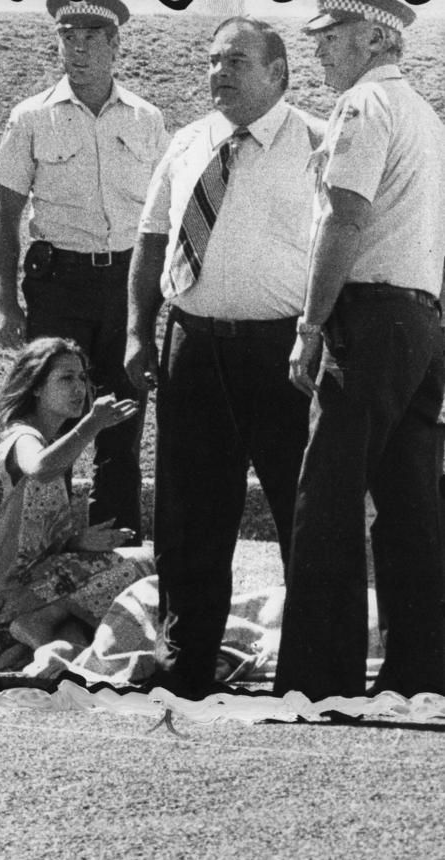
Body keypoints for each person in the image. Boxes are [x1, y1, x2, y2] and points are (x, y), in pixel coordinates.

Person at [124, 17, 325, 699]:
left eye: (237, 60)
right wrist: (136, 331)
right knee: (189, 514)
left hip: (283, 354)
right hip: (194, 345)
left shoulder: (317, 144)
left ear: (279, 73)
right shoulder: (188, 143)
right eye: (213, 60)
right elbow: (153, 241)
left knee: (302, 511)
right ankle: (186, 659)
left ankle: (312, 667)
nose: (220, 73)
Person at [274, 0, 445, 701]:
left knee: (329, 496)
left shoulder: (363, 108)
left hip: (367, 317)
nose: (320, 50)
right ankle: (420, 667)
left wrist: (310, 326)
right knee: (411, 503)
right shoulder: (426, 117)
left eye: (333, 36)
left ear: (376, 36)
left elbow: (345, 215)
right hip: (419, 317)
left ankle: (319, 677)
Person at [0, 0, 170, 543]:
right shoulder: (32, 117)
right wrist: (4, 301)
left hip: (126, 284)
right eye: (69, 35)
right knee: (52, 420)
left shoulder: (147, 118)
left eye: (93, 35)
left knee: (124, 420)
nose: (79, 47)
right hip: (59, 285)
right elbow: (6, 213)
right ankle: (41, 552)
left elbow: (164, 212)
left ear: (116, 45)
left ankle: (121, 558)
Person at [0, 337, 154, 667]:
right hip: (7, 595)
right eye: (65, 378)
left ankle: (40, 644)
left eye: (82, 378)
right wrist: (91, 424)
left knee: (74, 645)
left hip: (20, 592)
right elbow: (40, 469)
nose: (79, 387)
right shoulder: (22, 437)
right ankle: (41, 621)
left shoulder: (41, 439)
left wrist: (77, 541)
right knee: (151, 564)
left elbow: (25, 536)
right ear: (35, 387)